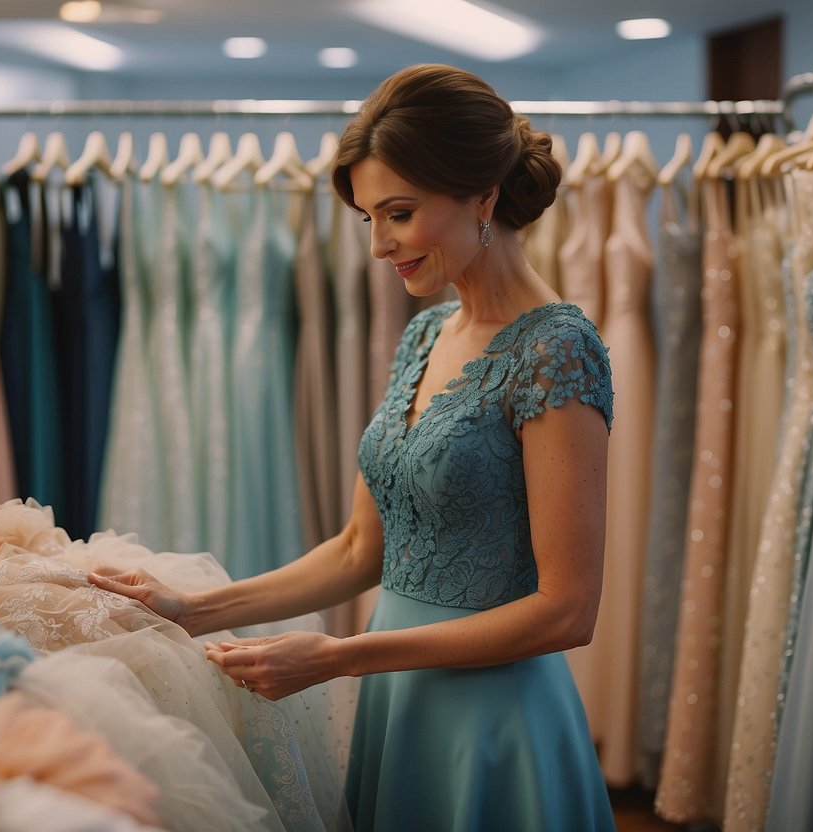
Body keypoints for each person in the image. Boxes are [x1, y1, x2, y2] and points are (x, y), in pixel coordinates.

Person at [89, 63, 617, 831]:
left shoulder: (557, 350)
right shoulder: (427, 333)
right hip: (397, 697)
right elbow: (355, 552)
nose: (378, 245)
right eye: (368, 219)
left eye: (397, 213)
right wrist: (192, 610)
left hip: (494, 720)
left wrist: (338, 658)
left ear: (483, 196)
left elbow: (566, 612)